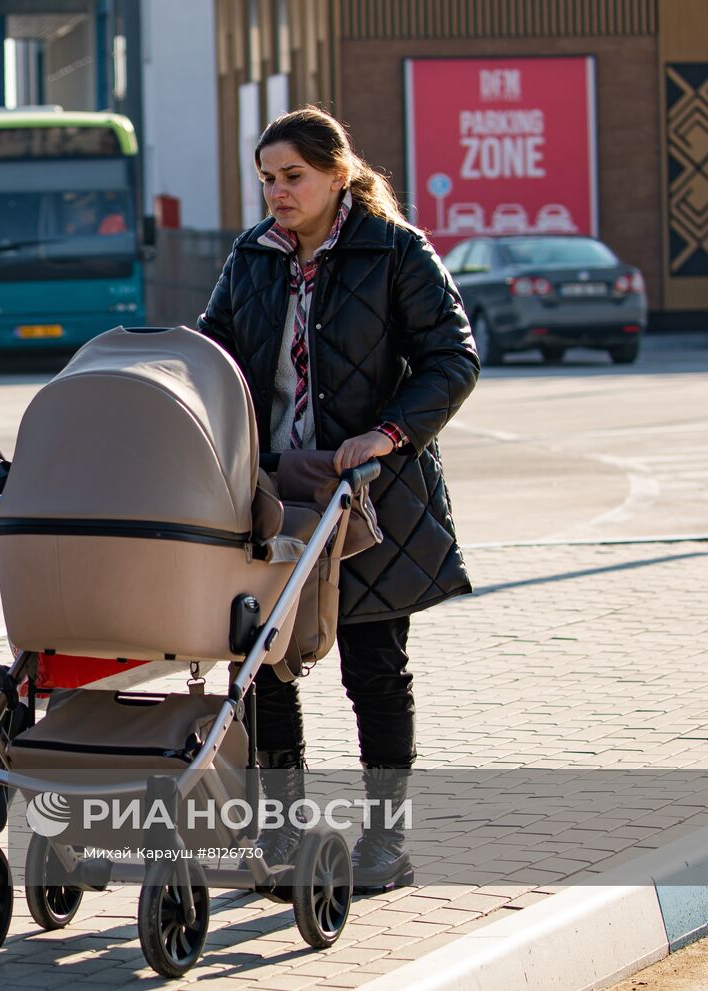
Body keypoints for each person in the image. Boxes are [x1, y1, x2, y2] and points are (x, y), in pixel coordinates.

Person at [197, 105, 479, 894]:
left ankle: (386, 843)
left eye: (291, 177)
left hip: (372, 494)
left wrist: (389, 433)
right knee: (264, 666)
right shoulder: (252, 257)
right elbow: (213, 351)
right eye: (266, 180)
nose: (277, 193)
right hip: (273, 491)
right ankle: (281, 840)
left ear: (336, 173)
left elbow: (452, 358)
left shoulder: (394, 250)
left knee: (374, 667)